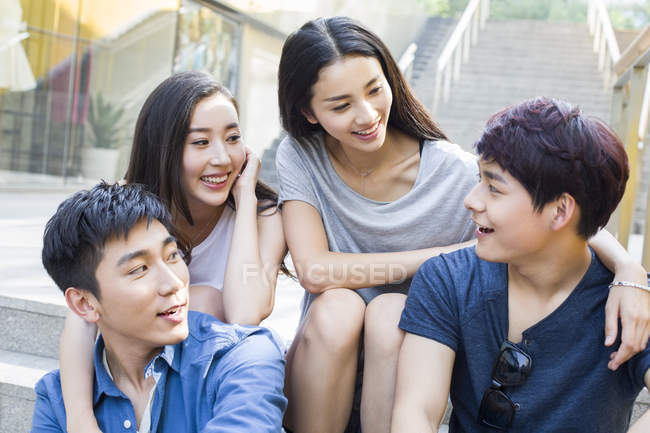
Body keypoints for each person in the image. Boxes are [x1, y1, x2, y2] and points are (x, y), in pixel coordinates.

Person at [276, 16, 650, 433]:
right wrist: (441, 256)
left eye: (374, 89)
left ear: (391, 79)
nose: (366, 115)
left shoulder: (451, 172)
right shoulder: (301, 156)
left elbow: (556, 215)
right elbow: (313, 271)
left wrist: (630, 272)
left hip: (408, 352)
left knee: (389, 310)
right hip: (327, 361)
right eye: (341, 105)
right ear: (308, 111)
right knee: (339, 307)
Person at [392, 97, 650, 433]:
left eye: (494, 188)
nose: (471, 200)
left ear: (560, 211)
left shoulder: (632, 305)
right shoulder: (448, 278)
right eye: (479, 180)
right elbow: (417, 412)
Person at [59, 72, 287, 433]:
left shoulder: (264, 216)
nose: (222, 158)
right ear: (164, 147)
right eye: (200, 142)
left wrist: (245, 200)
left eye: (233, 138)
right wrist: (80, 420)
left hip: (212, 382)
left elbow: (244, 316)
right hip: (135, 362)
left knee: (207, 301)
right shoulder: (129, 208)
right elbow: (85, 312)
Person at [32, 182, 287, 433]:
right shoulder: (57, 401)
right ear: (85, 303)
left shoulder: (243, 359)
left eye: (172, 255)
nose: (174, 283)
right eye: (139, 269)